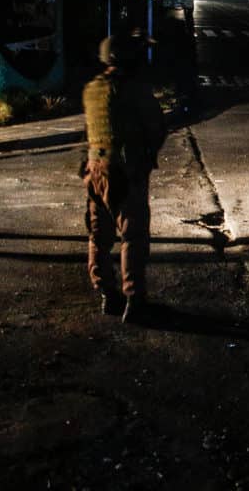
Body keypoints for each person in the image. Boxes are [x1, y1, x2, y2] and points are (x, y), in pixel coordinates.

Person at [82, 29, 167, 324]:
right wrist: (144, 158)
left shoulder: (92, 88)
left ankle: (107, 293)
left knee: (99, 236)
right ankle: (134, 299)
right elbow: (157, 127)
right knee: (132, 236)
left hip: (94, 171)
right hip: (125, 171)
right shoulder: (134, 88)